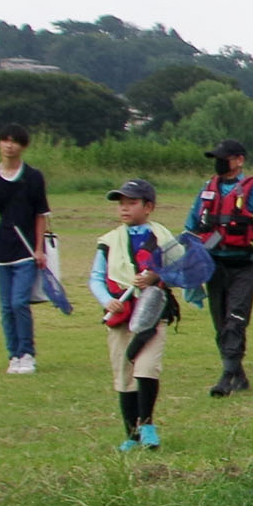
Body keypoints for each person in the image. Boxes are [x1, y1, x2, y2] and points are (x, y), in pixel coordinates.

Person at [185, 140, 253, 397]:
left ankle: (226, 378)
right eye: (217, 158)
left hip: (245, 265)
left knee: (236, 319)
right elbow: (192, 228)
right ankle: (239, 374)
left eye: (225, 158)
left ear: (239, 160)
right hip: (214, 264)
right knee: (221, 323)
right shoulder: (206, 191)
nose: (219, 162)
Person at [89, 179, 183, 450]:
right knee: (125, 373)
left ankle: (148, 424)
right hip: (122, 314)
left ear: (148, 207)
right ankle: (131, 434)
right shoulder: (108, 242)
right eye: (121, 203)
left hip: (153, 312)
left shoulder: (164, 239)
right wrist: (108, 301)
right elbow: (96, 278)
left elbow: (181, 272)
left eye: (132, 203)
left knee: (147, 368)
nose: (124, 209)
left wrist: (157, 275)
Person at [0, 123, 50, 375]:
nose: (9, 145)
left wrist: (39, 249)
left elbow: (41, 215)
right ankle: (14, 355)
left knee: (19, 302)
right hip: (2, 249)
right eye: (5, 140)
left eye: (15, 141)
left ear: (23, 146)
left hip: (27, 250)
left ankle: (27, 353)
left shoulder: (33, 177)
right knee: (5, 306)